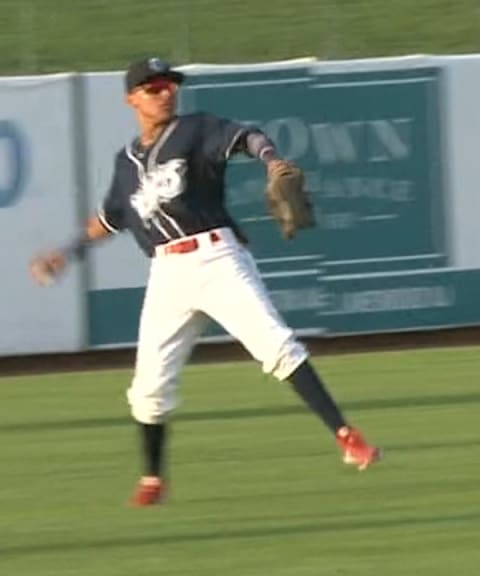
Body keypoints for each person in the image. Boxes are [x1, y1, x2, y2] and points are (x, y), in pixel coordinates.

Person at [29, 57, 381, 507]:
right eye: (153, 87)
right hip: (167, 274)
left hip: (216, 257)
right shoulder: (126, 162)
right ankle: (153, 479)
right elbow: (110, 218)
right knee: (149, 388)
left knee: (276, 346)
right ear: (131, 98)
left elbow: (247, 137)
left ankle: (347, 437)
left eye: (170, 84)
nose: (165, 92)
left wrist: (271, 161)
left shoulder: (195, 129)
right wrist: (67, 251)